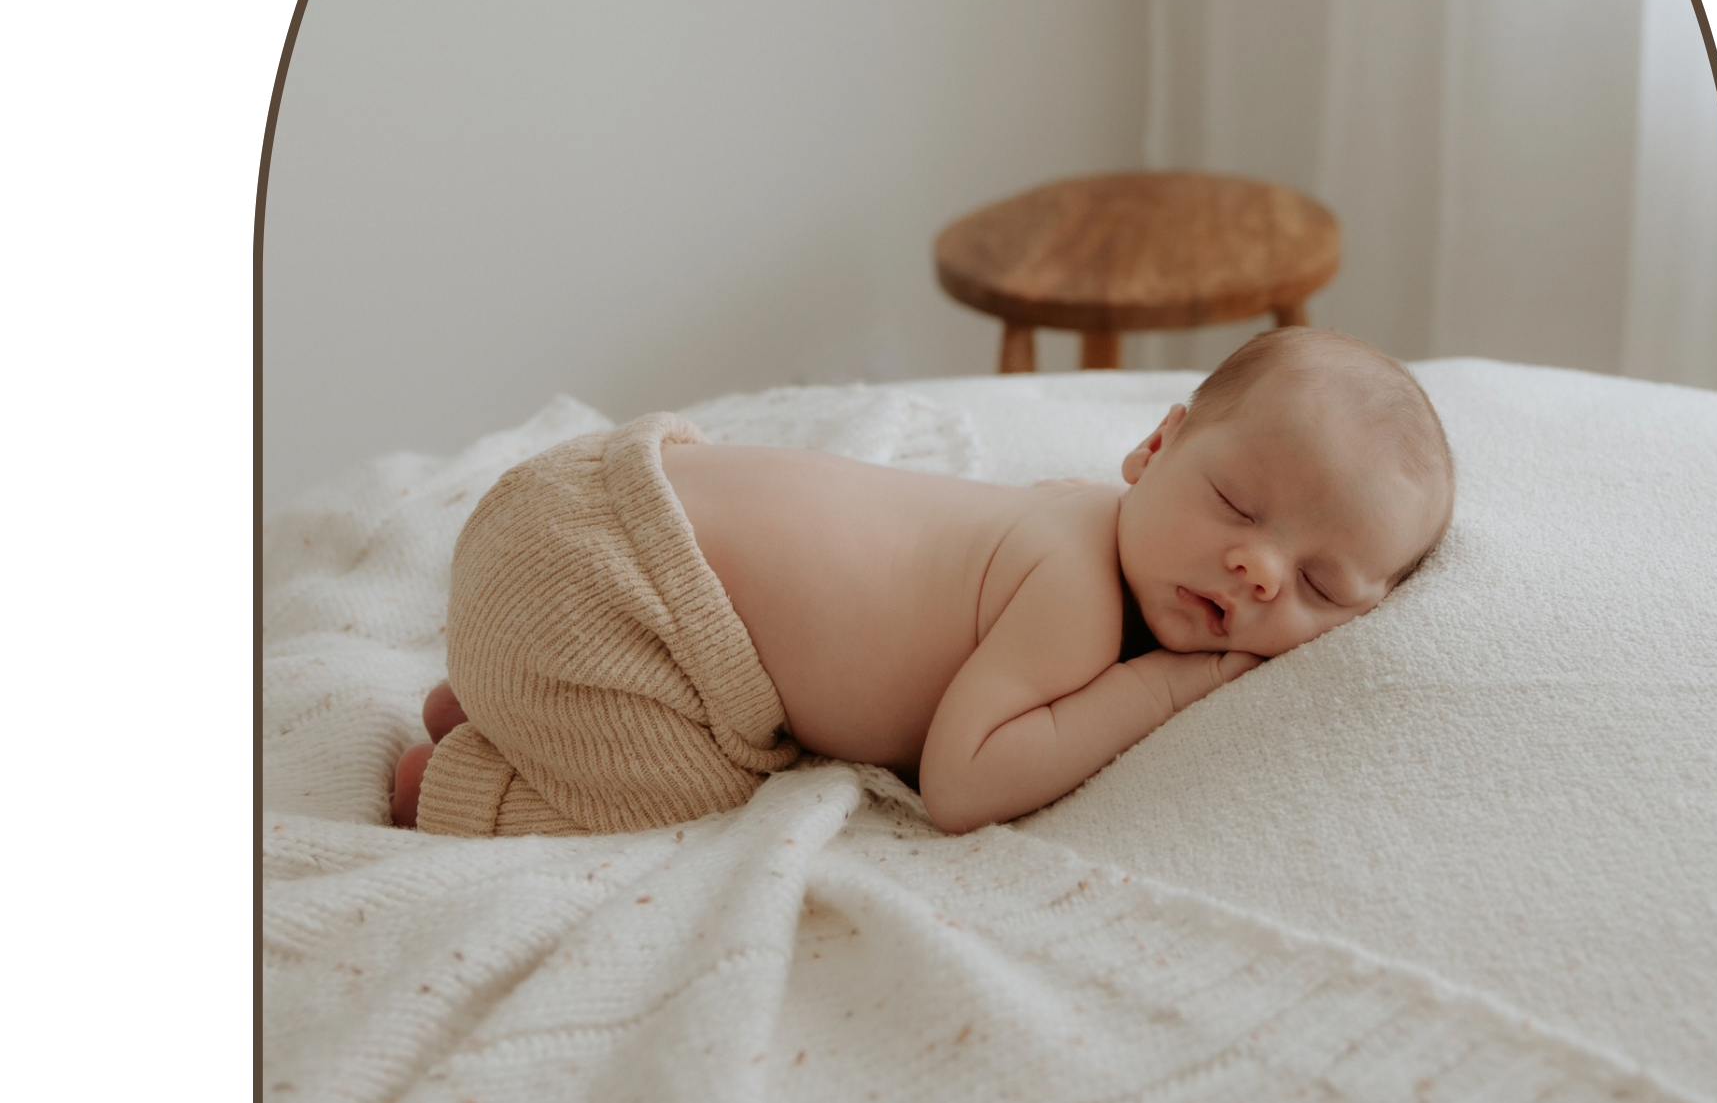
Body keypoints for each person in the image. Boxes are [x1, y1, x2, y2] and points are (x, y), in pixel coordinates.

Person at [394, 326, 1454, 840]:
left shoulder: (1065, 505)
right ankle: (460, 783)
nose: (1258, 572)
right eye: (1233, 504)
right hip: (607, 582)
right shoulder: (1072, 593)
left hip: (595, 514)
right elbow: (962, 782)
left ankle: (501, 696)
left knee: (662, 721)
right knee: (705, 808)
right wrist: (1169, 686)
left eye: (1319, 584)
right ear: (1151, 446)